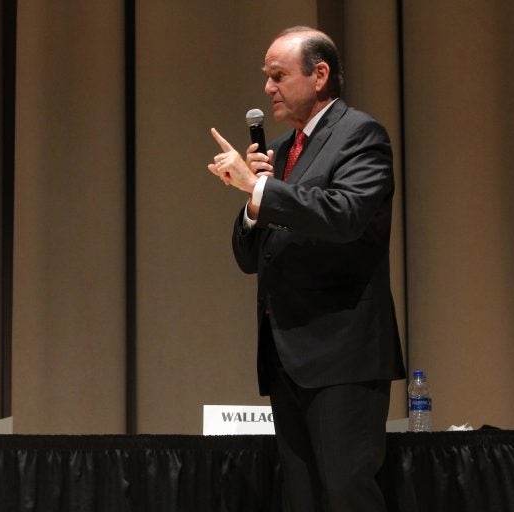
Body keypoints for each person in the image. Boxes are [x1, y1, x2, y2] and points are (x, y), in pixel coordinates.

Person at [207, 27, 406, 512]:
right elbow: (251, 257)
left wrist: (257, 190)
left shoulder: (361, 134)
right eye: (266, 77)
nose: (268, 88)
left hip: (342, 355)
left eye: (278, 76)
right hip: (287, 354)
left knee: (346, 492)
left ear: (319, 75)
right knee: (301, 496)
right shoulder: (283, 148)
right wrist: (255, 203)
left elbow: (344, 216)